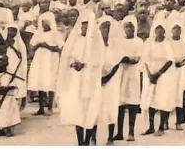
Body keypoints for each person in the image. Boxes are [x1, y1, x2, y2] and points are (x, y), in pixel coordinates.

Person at [57, 9, 103, 145]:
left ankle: (88, 139)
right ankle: (80, 142)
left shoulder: (96, 42)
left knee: (90, 111)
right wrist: (74, 64)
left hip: (91, 80)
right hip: (77, 80)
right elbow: (67, 57)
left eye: (87, 25)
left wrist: (86, 64)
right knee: (78, 111)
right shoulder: (75, 40)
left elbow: (99, 61)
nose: (84, 27)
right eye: (83, 24)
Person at [141, 22, 175, 136]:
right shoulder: (149, 42)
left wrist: (158, 73)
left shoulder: (167, 43)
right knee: (150, 98)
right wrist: (150, 74)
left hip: (164, 74)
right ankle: (151, 127)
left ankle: (161, 127)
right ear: (154, 30)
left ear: (165, 31)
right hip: (150, 73)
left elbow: (170, 61)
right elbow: (145, 59)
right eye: (157, 29)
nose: (159, 31)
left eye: (162, 29)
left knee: (162, 99)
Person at [113, 15, 143, 142]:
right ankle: (119, 132)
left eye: (131, 27)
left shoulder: (138, 41)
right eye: (126, 27)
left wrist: (124, 58)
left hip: (133, 75)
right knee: (120, 103)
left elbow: (136, 59)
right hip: (121, 74)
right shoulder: (119, 41)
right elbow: (116, 56)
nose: (129, 29)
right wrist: (125, 58)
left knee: (132, 103)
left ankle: (131, 131)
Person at [28, 11, 64, 116]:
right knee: (40, 81)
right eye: (42, 22)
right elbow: (32, 46)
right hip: (39, 59)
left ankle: (50, 107)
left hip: (51, 60)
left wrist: (46, 45)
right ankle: (41, 107)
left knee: (50, 81)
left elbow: (59, 48)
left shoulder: (55, 33)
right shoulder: (38, 33)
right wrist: (39, 45)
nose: (44, 24)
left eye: (46, 22)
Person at [97, 15, 123, 145]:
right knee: (95, 107)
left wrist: (107, 77)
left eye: (108, 27)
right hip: (96, 79)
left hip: (111, 80)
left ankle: (110, 137)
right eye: (103, 27)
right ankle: (92, 136)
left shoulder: (115, 46)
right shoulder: (94, 46)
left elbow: (117, 63)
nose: (106, 30)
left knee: (111, 106)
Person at [0, 54, 21, 136]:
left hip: (8, 97)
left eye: (1, 62)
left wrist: (7, 88)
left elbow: (15, 85)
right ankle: (0, 128)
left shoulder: (11, 73)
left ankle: (9, 129)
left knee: (8, 113)